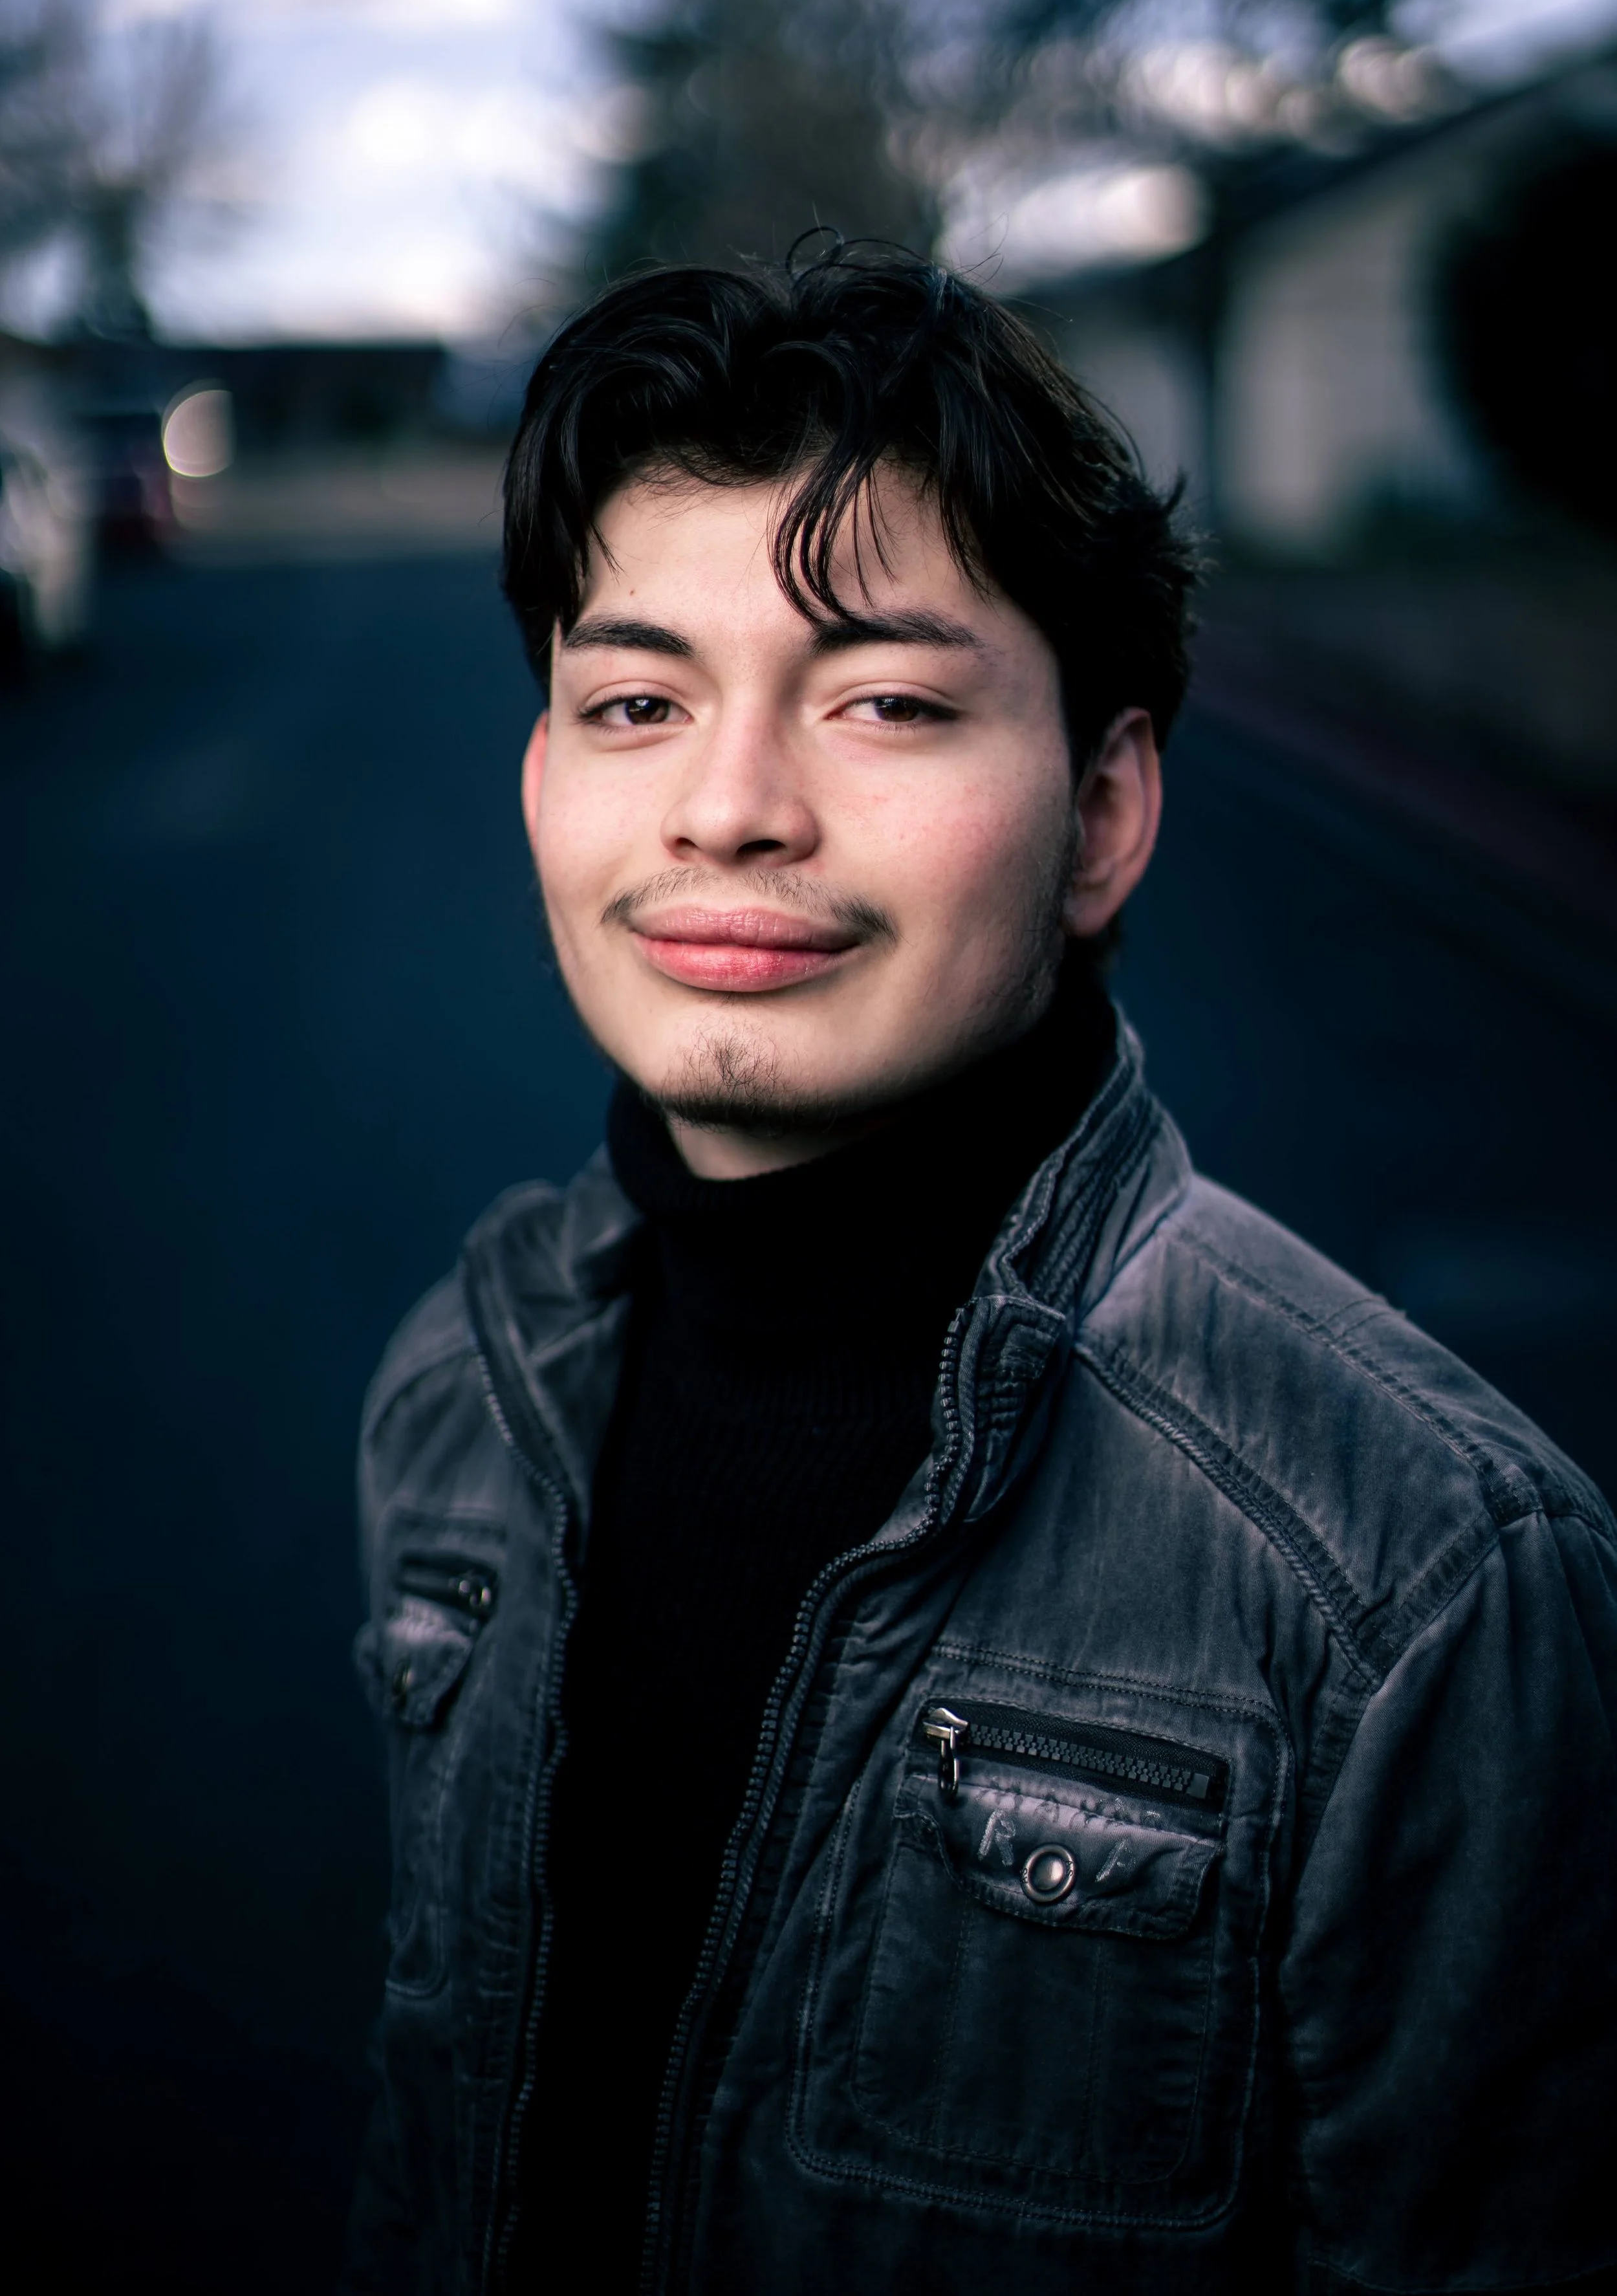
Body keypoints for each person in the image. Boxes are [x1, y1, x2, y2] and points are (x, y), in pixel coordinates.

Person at [339, 248, 1617, 2296]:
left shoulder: (1425, 1581)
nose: (731, 809)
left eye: (888, 705)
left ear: (1102, 810)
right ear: (543, 776)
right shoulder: (455, 1396)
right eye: (636, 702)